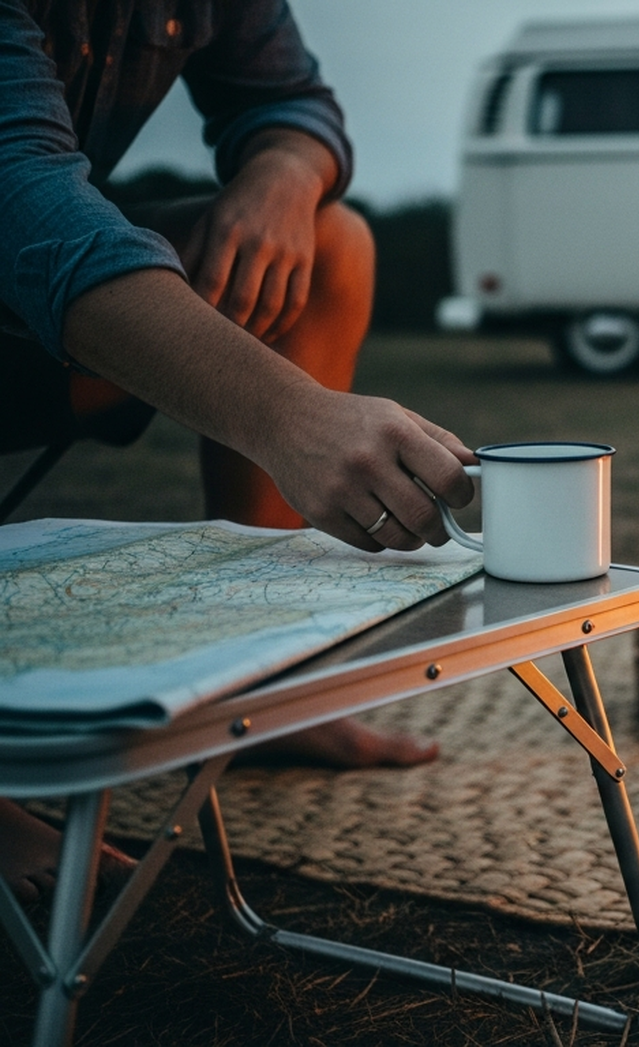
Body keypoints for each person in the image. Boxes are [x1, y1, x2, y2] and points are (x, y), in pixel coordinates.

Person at [1, 0, 476, 901]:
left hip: (30, 329)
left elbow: (290, 98)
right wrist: (291, 418)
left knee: (331, 243)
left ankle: (259, 682)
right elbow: (23, 197)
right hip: (33, 266)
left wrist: (285, 177)